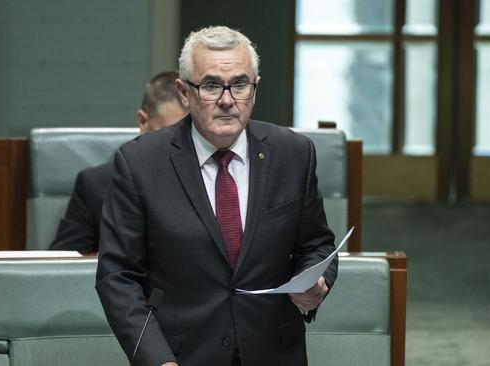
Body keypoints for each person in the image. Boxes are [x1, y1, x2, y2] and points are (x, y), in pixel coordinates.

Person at [96, 26, 337, 366]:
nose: (227, 100)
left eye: (239, 84)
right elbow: (118, 277)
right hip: (180, 356)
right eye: (210, 86)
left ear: (254, 89)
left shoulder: (293, 153)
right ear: (184, 92)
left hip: (275, 352)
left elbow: (316, 244)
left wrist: (317, 281)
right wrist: (157, 360)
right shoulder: (140, 163)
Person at [49, 71, 188, 252]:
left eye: (188, 134)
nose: (181, 144)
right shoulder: (96, 186)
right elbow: (63, 265)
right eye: (170, 133)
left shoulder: (216, 179)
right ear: (143, 121)